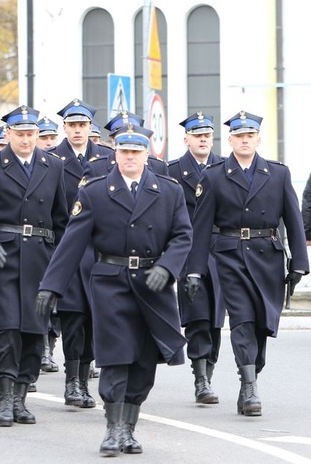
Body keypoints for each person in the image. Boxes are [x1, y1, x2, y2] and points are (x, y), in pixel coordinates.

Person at [37, 124, 192, 456]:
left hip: (153, 286)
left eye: (136, 153)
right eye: (124, 152)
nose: (130, 158)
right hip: (110, 281)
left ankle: (129, 428)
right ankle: (113, 428)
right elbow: (72, 242)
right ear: (115, 154)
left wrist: (167, 267)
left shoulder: (168, 191)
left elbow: (182, 236)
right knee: (116, 356)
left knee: (144, 361)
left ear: (146, 155)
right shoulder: (94, 192)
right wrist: (51, 286)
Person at [185, 111, 308, 417]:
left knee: (263, 325)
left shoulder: (277, 174)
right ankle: (250, 384)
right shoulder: (214, 175)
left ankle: (250, 375)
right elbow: (201, 228)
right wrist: (194, 269)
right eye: (239, 136)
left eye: (249, 136)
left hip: (268, 255)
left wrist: (299, 264)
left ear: (257, 139)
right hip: (230, 255)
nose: (244, 141)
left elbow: (292, 220)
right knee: (241, 320)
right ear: (230, 140)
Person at [0, 105, 68, 427]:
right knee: (7, 328)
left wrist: (59, 264)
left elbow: (62, 220)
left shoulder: (53, 166)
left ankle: (22, 397)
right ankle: (6, 397)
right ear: (7, 134)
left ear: (38, 134)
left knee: (34, 332)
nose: (26, 139)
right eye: (20, 133)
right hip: (4, 259)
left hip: (39, 258)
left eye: (31, 134)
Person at [47, 99, 113, 408]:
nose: (77, 130)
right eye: (72, 125)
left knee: (92, 317)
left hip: (100, 250)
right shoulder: (52, 160)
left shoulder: (106, 158)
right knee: (73, 316)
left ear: (90, 128)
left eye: (82, 125)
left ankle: (85, 377)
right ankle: (72, 381)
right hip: (68, 247)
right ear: (65, 128)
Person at [167, 112, 224, 404]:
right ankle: (201, 378)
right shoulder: (173, 170)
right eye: (197, 135)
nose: (203, 139)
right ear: (186, 138)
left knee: (216, 318)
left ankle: (209, 371)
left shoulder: (225, 168)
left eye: (207, 135)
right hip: (189, 249)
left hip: (223, 249)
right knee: (198, 314)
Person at [83, 112, 168, 178]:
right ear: (113, 140)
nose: (128, 137)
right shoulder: (97, 166)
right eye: (121, 135)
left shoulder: (158, 166)